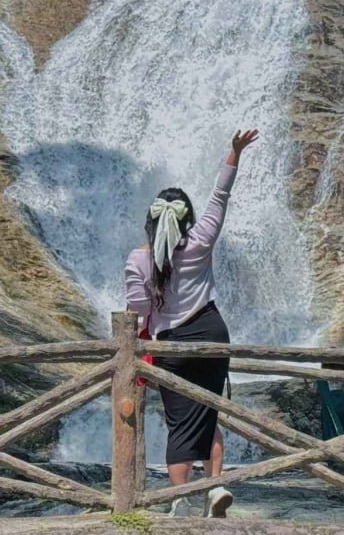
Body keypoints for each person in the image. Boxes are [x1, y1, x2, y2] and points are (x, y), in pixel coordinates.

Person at [125, 128, 259, 519]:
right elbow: (220, 195)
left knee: (180, 423)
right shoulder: (199, 242)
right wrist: (234, 153)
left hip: (172, 346)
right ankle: (214, 487)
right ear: (187, 218)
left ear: (151, 220)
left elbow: (137, 310)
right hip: (212, 335)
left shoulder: (138, 260)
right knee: (208, 413)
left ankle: (179, 498)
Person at [317, 363, 344, 440]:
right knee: (343, 425)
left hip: (331, 400)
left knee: (331, 426)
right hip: (342, 400)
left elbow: (319, 392)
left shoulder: (322, 375)